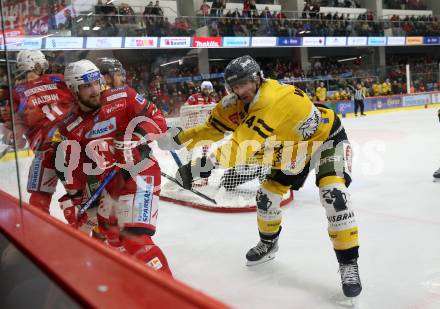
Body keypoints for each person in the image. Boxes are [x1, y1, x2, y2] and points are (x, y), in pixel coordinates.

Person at [159, 55, 361, 297]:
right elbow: (210, 129)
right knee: (266, 196)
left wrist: (195, 170)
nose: (239, 90)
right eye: (234, 86)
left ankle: (348, 263)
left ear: (258, 79)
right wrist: (178, 138)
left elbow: (239, 145)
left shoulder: (273, 99)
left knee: (334, 194)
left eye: (244, 84)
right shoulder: (232, 104)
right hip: (289, 149)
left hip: (326, 139)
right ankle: (268, 243)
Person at [55, 59, 171, 275]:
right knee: (110, 234)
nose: (94, 90)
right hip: (111, 183)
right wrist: (77, 200)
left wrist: (136, 136)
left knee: (134, 237)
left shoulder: (123, 96)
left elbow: (158, 120)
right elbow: (77, 169)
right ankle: (135, 277)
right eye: (86, 86)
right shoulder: (69, 126)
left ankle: (171, 294)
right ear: (73, 89)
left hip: (139, 171)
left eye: (96, 83)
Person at [7, 50, 74, 212]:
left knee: (38, 200)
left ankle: (39, 234)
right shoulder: (59, 79)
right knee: (78, 196)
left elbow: (13, 121)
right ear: (36, 65)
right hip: (71, 144)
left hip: (44, 149)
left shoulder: (17, 92)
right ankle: (82, 233)